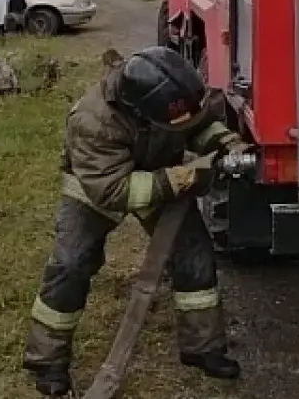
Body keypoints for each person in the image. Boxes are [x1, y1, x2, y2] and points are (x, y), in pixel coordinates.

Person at [22, 45, 254, 396]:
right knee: (70, 265)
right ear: (139, 110)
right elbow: (113, 191)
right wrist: (175, 180)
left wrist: (225, 143)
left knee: (194, 256)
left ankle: (203, 348)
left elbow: (199, 125)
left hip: (155, 173)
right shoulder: (92, 120)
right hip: (97, 187)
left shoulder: (173, 97)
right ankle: (47, 361)